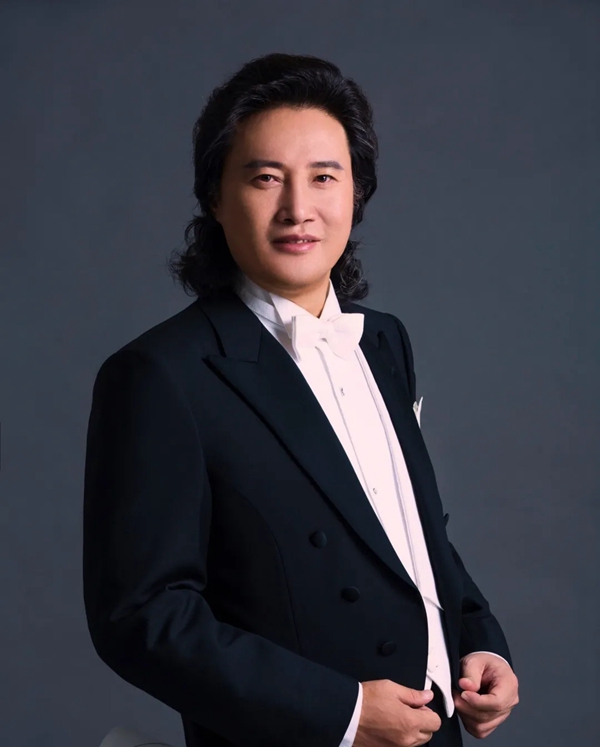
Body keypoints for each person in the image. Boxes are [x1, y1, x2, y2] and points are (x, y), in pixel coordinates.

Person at [83, 53, 519, 747]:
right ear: (215, 197)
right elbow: (143, 618)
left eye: (323, 176)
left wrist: (479, 638)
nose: (298, 209)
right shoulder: (159, 374)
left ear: (356, 192)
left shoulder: (385, 340)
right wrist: (342, 712)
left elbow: (402, 532)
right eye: (265, 178)